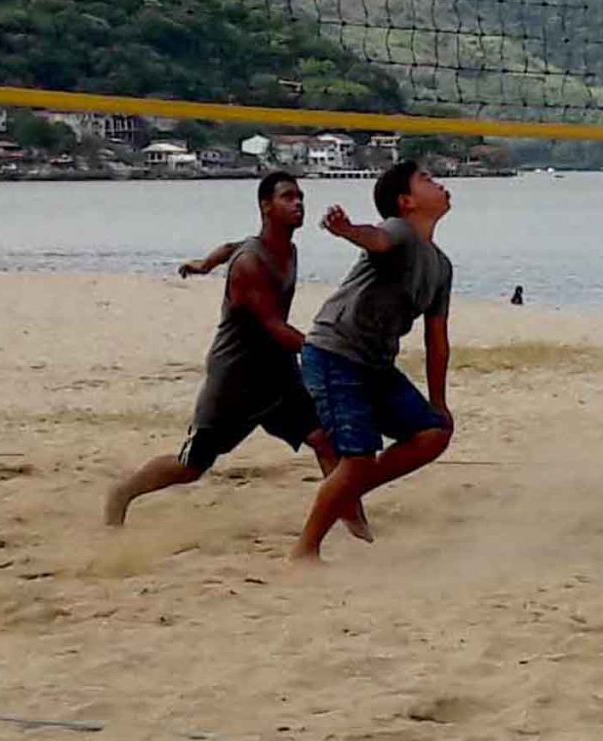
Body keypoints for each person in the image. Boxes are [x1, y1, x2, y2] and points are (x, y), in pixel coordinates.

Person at [106, 174, 370, 541]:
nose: (298, 204)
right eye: (288, 197)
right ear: (265, 205)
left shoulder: (283, 249)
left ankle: (356, 526)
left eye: (300, 197)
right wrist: (328, 350)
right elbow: (274, 327)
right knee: (191, 466)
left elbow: (232, 245)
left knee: (325, 440)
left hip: (278, 374)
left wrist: (204, 264)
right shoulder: (251, 264)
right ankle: (123, 493)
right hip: (236, 379)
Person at [291, 160, 456, 561]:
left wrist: (439, 401)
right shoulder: (399, 230)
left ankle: (346, 492)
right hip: (335, 351)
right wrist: (347, 231)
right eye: (427, 180)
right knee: (359, 458)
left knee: (433, 432)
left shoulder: (441, 265)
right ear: (406, 202)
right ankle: (305, 551)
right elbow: (376, 239)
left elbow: (437, 339)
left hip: (376, 364)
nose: (440, 184)